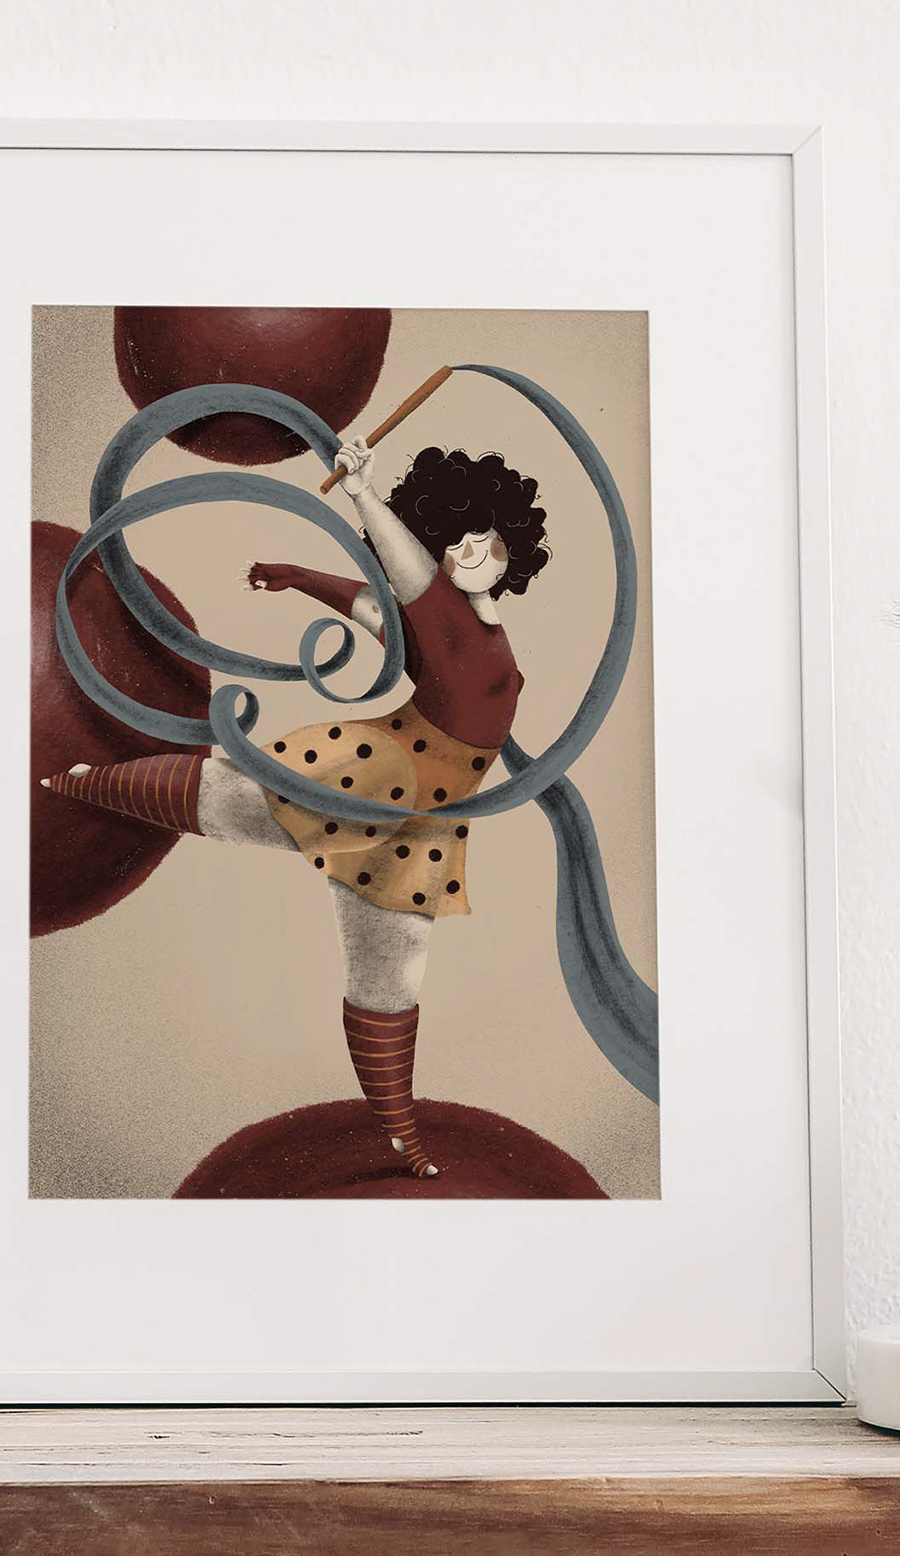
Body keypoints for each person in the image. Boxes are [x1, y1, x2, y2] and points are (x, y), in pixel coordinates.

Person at [40, 433, 552, 1179]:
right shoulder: (438, 608)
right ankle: (83, 783)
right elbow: (399, 586)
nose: (470, 551)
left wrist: (297, 573)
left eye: (486, 539)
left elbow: (372, 610)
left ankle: (400, 1130)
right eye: (457, 541)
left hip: (419, 825)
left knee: (390, 978)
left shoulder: (462, 628)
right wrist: (362, 492)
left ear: (512, 550)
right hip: (374, 775)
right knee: (231, 799)